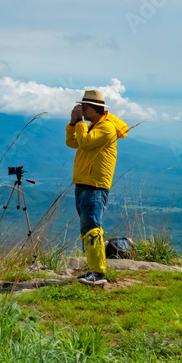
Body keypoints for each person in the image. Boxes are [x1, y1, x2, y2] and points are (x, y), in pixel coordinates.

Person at [65, 89, 129, 284]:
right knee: (87, 229)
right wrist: (74, 124)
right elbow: (72, 143)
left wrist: (80, 123)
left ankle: (98, 273)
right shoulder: (93, 125)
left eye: (84, 107)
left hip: (95, 185)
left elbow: (83, 143)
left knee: (93, 228)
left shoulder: (106, 128)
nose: (81, 109)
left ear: (93, 108)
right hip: (84, 183)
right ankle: (92, 270)